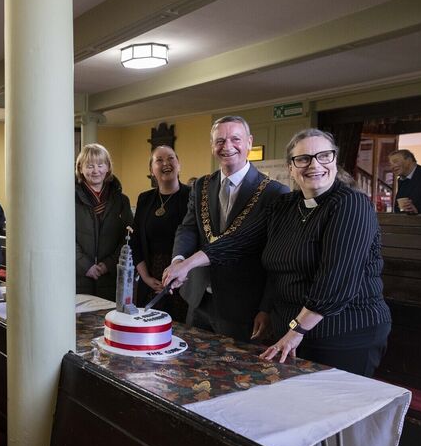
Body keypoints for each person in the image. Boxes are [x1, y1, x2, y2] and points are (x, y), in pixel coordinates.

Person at [165, 129, 391, 377]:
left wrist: (294, 333)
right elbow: (240, 241)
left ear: (335, 160)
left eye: (324, 156)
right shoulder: (285, 206)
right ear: (291, 168)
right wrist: (186, 264)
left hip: (343, 334)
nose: (314, 165)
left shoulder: (351, 204)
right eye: (303, 159)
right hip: (291, 331)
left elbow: (335, 282)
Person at [170, 116, 288, 342]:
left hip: (244, 306)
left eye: (235, 139)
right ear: (212, 145)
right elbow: (188, 229)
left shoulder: (274, 193)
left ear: (249, 142)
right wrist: (178, 260)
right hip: (199, 297)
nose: (227, 147)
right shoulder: (201, 185)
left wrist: (267, 307)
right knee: (192, 369)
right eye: (220, 140)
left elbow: (277, 259)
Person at [130, 145, 190, 310]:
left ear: (179, 165)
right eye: (159, 160)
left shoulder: (193, 196)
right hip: (150, 280)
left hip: (184, 280)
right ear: (151, 169)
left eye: (171, 158)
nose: (166, 163)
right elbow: (135, 243)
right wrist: (146, 278)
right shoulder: (144, 199)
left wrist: (181, 273)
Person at [74, 143, 133, 301]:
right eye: (90, 166)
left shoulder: (121, 201)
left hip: (111, 277)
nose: (96, 171)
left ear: (108, 167)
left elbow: (127, 237)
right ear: (80, 168)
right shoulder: (69, 198)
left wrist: (109, 264)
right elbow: (62, 236)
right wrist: (85, 265)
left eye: (100, 165)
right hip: (78, 277)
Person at [389, 148, 421, 214]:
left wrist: (417, 209)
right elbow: (400, 208)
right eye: (390, 164)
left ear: (409, 160)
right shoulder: (401, 180)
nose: (392, 167)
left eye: (395, 161)